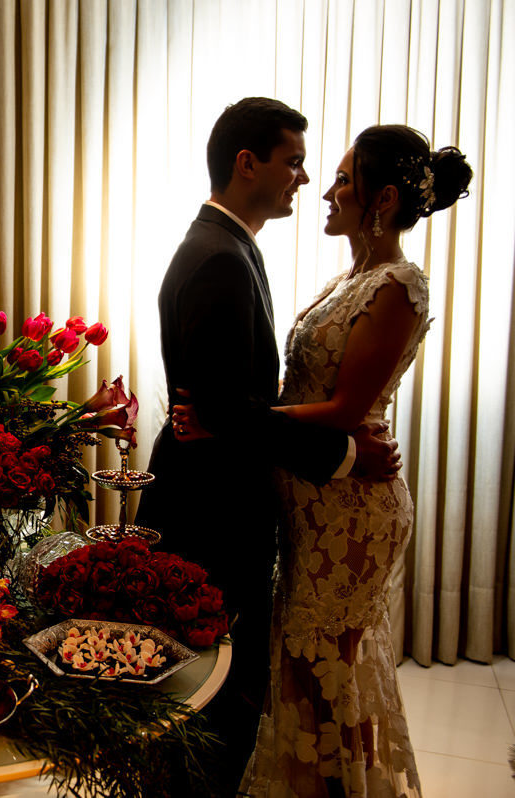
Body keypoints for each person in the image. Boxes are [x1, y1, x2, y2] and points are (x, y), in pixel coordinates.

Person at [173, 125, 472, 795]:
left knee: (328, 668)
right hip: (312, 494)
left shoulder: (400, 285)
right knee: (302, 667)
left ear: (384, 198)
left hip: (353, 507)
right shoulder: (352, 278)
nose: (326, 192)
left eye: (342, 179)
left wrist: (226, 423)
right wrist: (245, 422)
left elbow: (342, 409)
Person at [134, 98, 400, 795]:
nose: (304, 180)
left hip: (217, 488)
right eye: (294, 162)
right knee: (211, 693)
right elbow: (230, 409)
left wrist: (224, 415)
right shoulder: (219, 258)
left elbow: (227, 406)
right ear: (246, 163)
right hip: (213, 508)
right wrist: (346, 456)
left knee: (225, 690)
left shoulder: (227, 247)